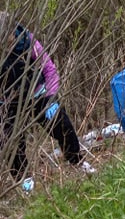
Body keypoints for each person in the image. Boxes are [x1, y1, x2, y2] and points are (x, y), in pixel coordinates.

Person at [1, 12, 95, 192]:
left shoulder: (28, 42)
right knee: (10, 140)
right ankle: (24, 182)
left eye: (9, 36)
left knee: (62, 125)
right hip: (9, 103)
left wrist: (51, 98)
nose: (8, 41)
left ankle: (77, 162)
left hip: (39, 95)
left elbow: (49, 70)